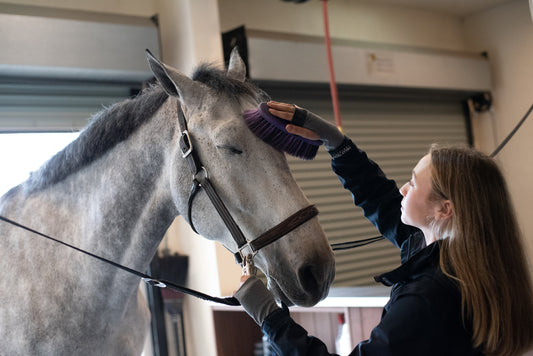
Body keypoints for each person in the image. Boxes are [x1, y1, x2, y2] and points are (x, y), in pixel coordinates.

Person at [234, 101, 533, 356]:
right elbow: (382, 200)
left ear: (444, 209)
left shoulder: (427, 298)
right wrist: (337, 143)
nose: (404, 189)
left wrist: (269, 317)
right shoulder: (461, 260)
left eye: (414, 182)